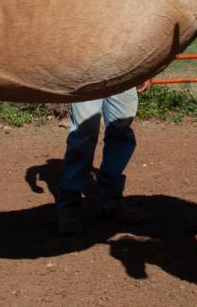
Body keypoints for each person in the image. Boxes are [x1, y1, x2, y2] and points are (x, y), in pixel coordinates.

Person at [55, 87, 145, 235]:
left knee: (121, 130)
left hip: (124, 72)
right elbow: (32, 172)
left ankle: (112, 199)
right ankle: (69, 206)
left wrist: (147, 71)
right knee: (84, 132)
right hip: (86, 74)